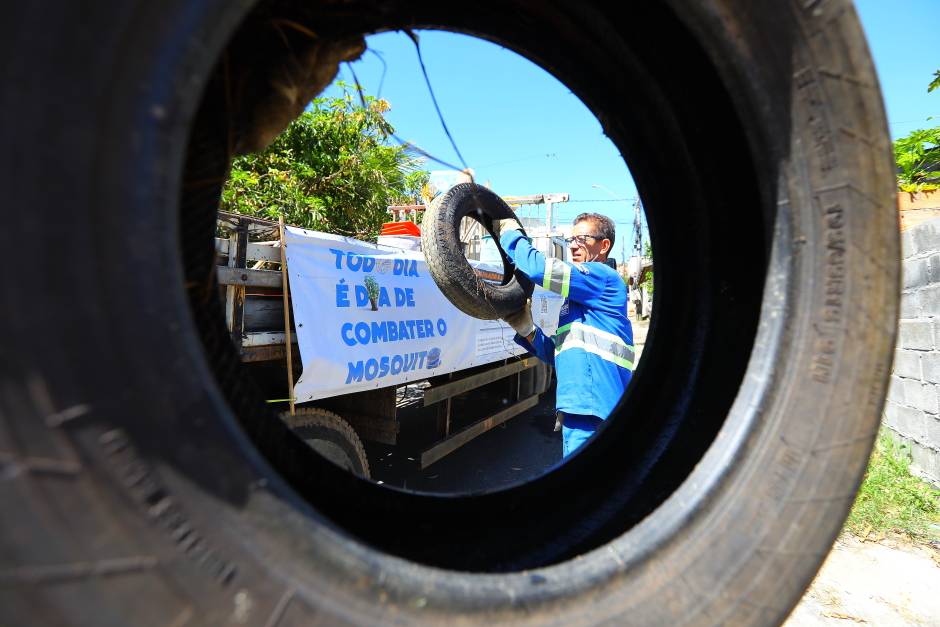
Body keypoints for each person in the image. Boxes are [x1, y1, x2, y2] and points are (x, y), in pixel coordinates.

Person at [495, 213, 635, 457]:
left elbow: (539, 269)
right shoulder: (578, 303)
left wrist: (509, 233)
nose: (572, 246)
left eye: (581, 239)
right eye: (571, 239)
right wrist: (528, 331)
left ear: (604, 246)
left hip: (595, 406)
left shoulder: (603, 277)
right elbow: (560, 355)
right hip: (581, 407)